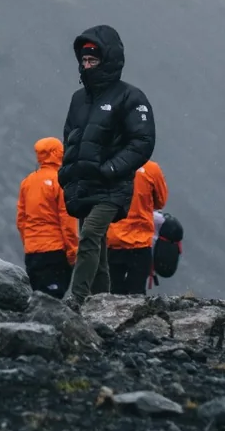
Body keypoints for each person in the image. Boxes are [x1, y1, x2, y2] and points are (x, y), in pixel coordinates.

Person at [60, 26, 155, 307]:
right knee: (97, 248)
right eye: (84, 61)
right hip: (83, 184)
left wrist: (111, 169)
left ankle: (76, 298)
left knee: (90, 234)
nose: (87, 66)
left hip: (113, 186)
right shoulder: (78, 99)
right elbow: (70, 138)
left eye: (93, 61)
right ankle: (103, 304)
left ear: (108, 60)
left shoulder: (130, 97)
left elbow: (143, 141)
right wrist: (67, 174)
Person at [16, 137, 80, 298]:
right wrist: (72, 251)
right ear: (58, 153)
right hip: (55, 252)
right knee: (53, 301)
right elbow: (67, 220)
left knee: (37, 299)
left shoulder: (27, 182)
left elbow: (21, 220)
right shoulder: (61, 181)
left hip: (32, 253)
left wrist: (30, 242)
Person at [106, 158, 169, 295]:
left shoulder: (111, 164)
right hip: (140, 242)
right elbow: (161, 201)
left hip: (114, 241)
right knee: (137, 292)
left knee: (114, 291)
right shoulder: (151, 169)